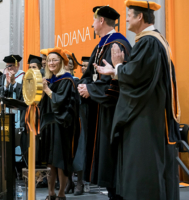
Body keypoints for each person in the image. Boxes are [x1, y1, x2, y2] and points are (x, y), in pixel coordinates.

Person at [94, 1, 180, 199]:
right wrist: (116, 71)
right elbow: (140, 74)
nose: (125, 19)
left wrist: (118, 67)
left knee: (144, 170)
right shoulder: (156, 41)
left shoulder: (149, 42)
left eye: (129, 15)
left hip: (146, 118)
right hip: (152, 113)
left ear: (139, 17)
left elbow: (136, 76)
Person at [77, 6, 132, 200]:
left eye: (93, 20)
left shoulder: (117, 45)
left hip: (111, 114)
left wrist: (90, 90)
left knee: (113, 165)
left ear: (101, 21)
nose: (92, 24)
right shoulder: (102, 45)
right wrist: (84, 87)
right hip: (100, 111)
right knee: (107, 166)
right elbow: (88, 75)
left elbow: (115, 84)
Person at [39, 47, 79, 200]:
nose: (51, 62)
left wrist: (47, 90)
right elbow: (44, 105)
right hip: (49, 125)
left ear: (62, 62)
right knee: (50, 162)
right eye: (49, 60)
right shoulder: (49, 80)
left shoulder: (67, 80)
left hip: (62, 125)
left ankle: (61, 194)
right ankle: (50, 193)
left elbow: (61, 102)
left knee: (60, 160)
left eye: (54, 60)